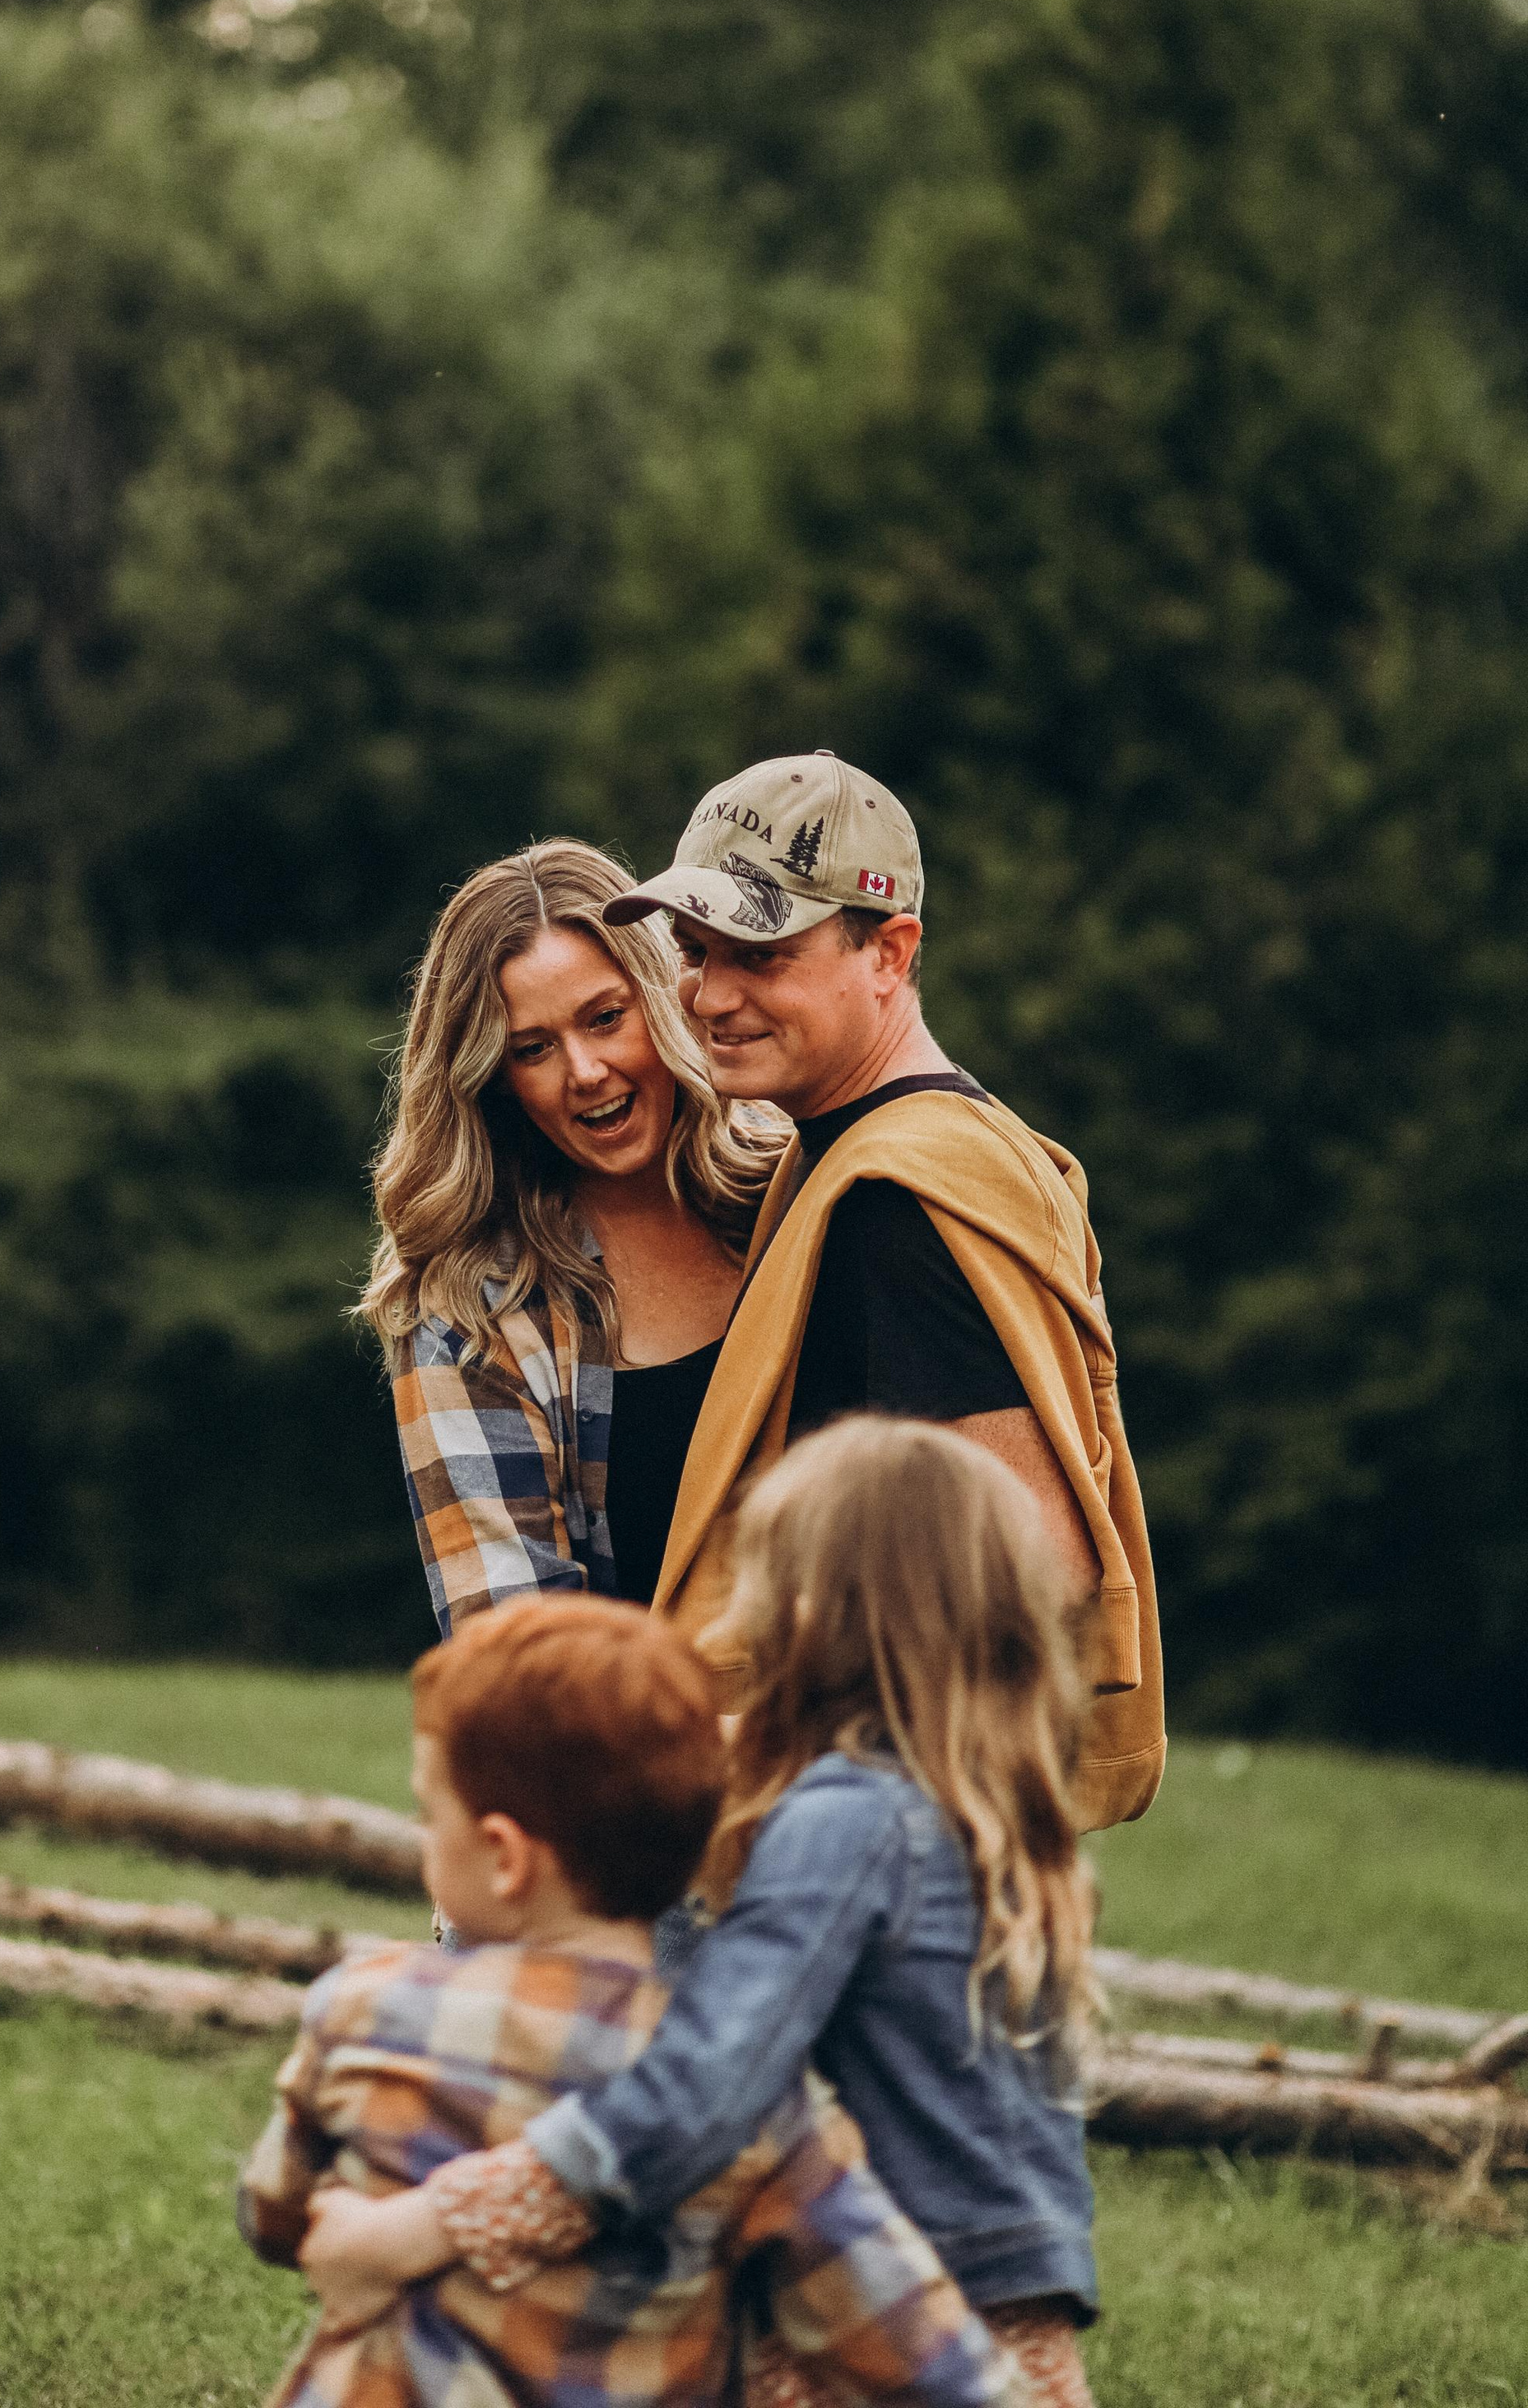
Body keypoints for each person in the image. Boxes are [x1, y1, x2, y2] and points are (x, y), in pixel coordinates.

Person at [300, 1423, 1103, 2408]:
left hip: (890, 2326)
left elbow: (709, 2086)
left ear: (809, 1609)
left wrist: (430, 2224)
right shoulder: (980, 1814)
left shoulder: (850, 1819)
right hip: (1013, 2317)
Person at [237, 1589, 1018, 2408]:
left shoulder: (361, 2009)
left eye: (430, 1812)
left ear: (505, 1857)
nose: (426, 1834)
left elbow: (271, 2214)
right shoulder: (746, 2101)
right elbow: (911, 2346)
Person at [602, 747, 1162, 1832]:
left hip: (852, 1835)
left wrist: (815, 1798)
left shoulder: (902, 1197)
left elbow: (1030, 1567)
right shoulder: (857, 1151)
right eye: (693, 947)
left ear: (889, 952)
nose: (709, 994)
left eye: (760, 953)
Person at [363, 839, 786, 1627]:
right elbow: (522, 1653)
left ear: (666, 1000)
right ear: (493, 1079)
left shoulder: (802, 1185)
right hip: (652, 1742)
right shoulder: (474, 1318)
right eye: (534, 1049)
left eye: (606, 1018)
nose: (585, 1070)